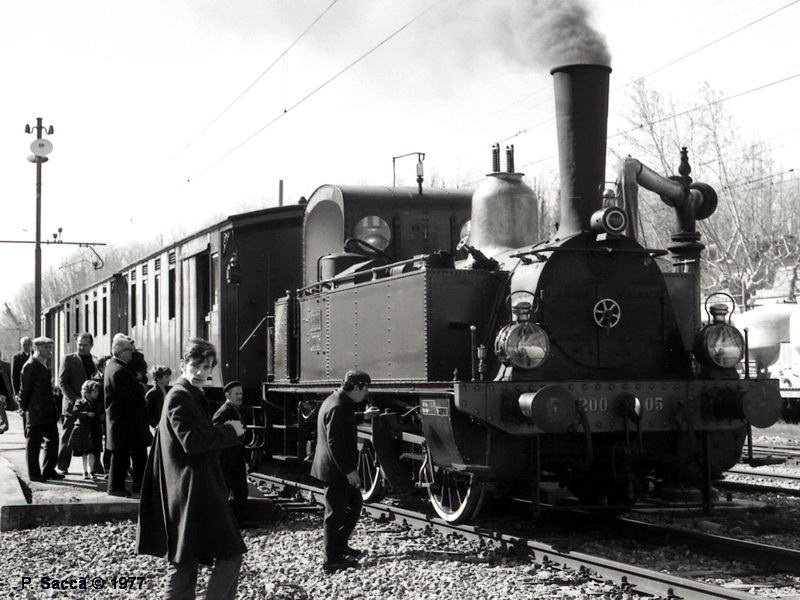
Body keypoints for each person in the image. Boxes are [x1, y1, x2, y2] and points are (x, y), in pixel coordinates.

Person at [137, 338, 246, 600]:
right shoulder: (180, 396)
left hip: (191, 489)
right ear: (183, 364)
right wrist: (229, 431)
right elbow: (192, 441)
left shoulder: (190, 395)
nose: (200, 372)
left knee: (186, 560)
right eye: (195, 365)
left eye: (206, 367)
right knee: (226, 555)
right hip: (192, 491)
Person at [310, 369, 379, 573]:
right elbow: (335, 442)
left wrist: (363, 416)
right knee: (334, 515)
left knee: (354, 505)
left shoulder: (337, 401)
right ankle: (331, 561)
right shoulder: (338, 407)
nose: (367, 393)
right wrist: (349, 471)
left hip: (337, 468)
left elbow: (344, 421)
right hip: (336, 471)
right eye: (365, 389)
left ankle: (340, 545)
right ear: (356, 387)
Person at [104, 334, 151, 497]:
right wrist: (141, 388)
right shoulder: (119, 370)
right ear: (122, 352)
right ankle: (115, 488)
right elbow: (129, 394)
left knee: (123, 454)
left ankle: (124, 486)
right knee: (120, 456)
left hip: (123, 420)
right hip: (124, 420)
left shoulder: (114, 366)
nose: (132, 352)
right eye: (130, 350)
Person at [18, 337, 63, 482]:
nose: (49, 350)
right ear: (36, 348)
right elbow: (25, 390)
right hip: (35, 411)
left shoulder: (44, 364)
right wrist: (25, 408)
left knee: (53, 441)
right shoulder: (30, 366)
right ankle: (34, 474)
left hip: (48, 410)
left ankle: (48, 470)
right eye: (46, 347)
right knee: (34, 444)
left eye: (50, 347)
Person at [57, 332, 98, 474]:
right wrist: (76, 399)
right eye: (79, 344)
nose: (82, 347)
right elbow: (62, 382)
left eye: (85, 345)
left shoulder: (94, 361)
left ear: (91, 345)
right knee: (68, 436)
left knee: (92, 436)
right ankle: (62, 466)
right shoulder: (68, 359)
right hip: (72, 406)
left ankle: (94, 466)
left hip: (90, 406)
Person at [212, 381, 248, 524]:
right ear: (228, 395)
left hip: (237, 455)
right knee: (225, 489)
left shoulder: (237, 409)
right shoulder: (223, 412)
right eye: (236, 394)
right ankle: (223, 522)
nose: (240, 396)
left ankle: (239, 521)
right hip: (226, 457)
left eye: (241, 393)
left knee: (241, 489)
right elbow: (215, 431)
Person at [69, 380, 101, 478]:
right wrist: (86, 414)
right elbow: (75, 413)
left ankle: (91, 471)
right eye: (94, 392)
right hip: (84, 429)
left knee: (93, 452)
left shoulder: (96, 403)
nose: (97, 393)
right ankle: (85, 471)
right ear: (87, 393)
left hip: (94, 429)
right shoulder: (80, 402)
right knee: (84, 452)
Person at [0, 352, 13, 434]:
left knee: (1, 407)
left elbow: (10, 379)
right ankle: (3, 425)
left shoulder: (6, 365)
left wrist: (11, 392)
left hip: (3, 391)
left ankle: (4, 425)